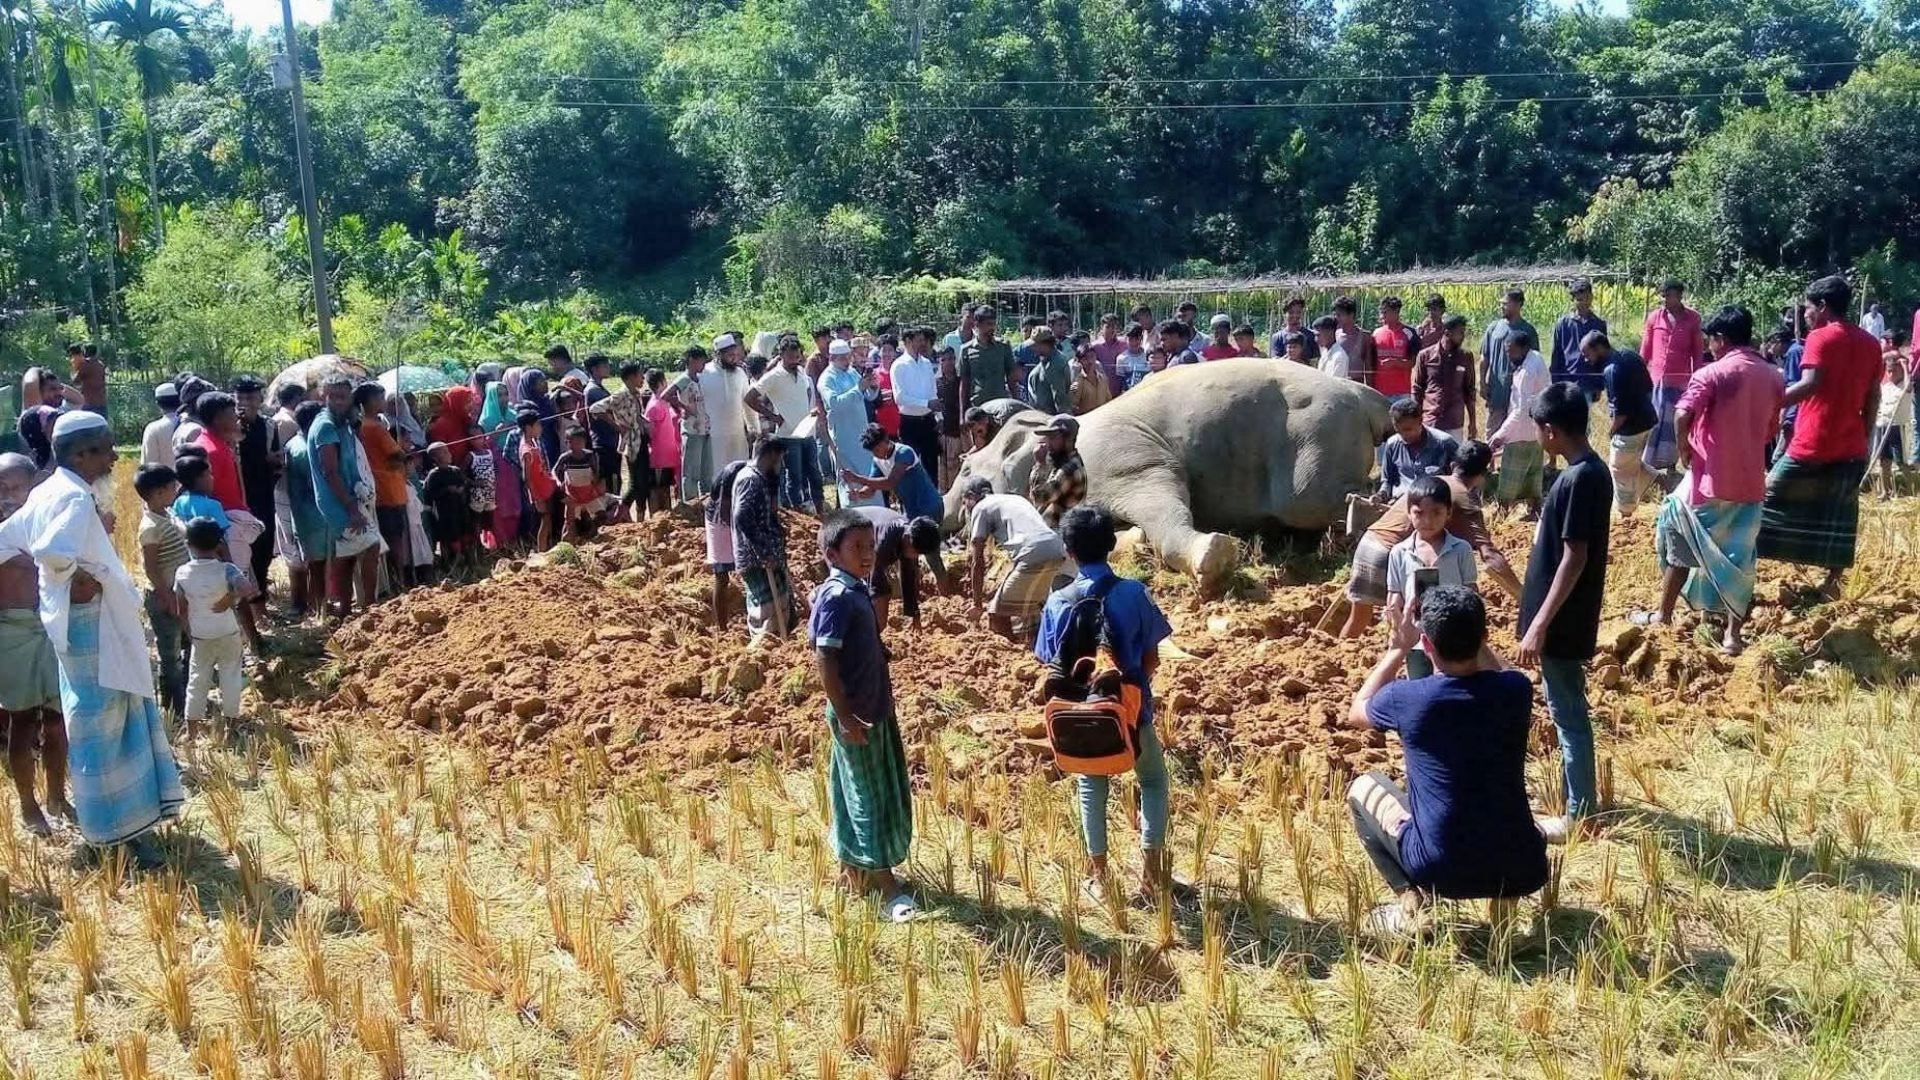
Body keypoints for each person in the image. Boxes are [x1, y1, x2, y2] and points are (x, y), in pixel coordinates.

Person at [0, 411, 184, 868]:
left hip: (85, 625)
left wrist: (63, 579)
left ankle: (127, 824)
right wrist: (72, 579)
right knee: (104, 728)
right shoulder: (72, 498)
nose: (112, 458)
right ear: (81, 454)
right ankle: (117, 833)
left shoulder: (49, 490)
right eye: (105, 449)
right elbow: (51, 550)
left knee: (108, 720)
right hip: (92, 626)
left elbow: (8, 538)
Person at [1343, 586, 1548, 935]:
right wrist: (1474, 635)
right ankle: (1504, 911)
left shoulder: (1408, 698)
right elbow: (1505, 671)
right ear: (1484, 637)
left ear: (1427, 644)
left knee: (1362, 787)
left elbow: (1356, 711)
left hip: (1440, 871)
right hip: (1523, 866)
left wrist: (1398, 648)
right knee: (1517, 824)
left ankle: (1412, 906)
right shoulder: (1515, 691)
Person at [1035, 505, 1174, 904]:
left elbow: (1049, 661)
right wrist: (1131, 694)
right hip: (1131, 711)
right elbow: (1151, 658)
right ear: (1112, 544)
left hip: (1078, 717)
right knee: (1153, 782)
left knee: (1090, 786)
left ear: (1068, 550)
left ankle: (1099, 878)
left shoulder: (1057, 601)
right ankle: (1150, 878)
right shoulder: (1134, 593)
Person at [1635, 306, 1784, 654]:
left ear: (1720, 339)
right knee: (1741, 557)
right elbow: (1771, 429)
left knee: (1675, 526)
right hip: (1751, 481)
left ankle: (1664, 614)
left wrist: (1685, 450)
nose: (1710, 347)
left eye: (1711, 341)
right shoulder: (1773, 376)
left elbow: (1682, 413)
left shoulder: (1712, 373)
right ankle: (1732, 636)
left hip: (1709, 480)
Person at [810, 510, 916, 921]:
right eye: (856, 547)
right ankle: (887, 887)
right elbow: (825, 658)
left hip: (873, 707)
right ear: (832, 554)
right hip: (857, 714)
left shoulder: (855, 590)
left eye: (870, 546)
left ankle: (850, 873)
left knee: (856, 790)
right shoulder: (837, 596)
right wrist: (846, 717)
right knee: (868, 796)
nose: (868, 554)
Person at [1517, 383, 1612, 842]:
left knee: (1568, 714)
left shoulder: (1579, 479)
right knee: (1565, 708)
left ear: (1551, 430)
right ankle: (1578, 799)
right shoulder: (1588, 472)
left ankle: (1581, 816)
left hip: (1563, 621)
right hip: (1564, 617)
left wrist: (1540, 623)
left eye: (1538, 429)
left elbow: (1575, 557)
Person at [1759, 275, 1883, 599]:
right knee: (1839, 515)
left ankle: (1742, 569)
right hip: (1851, 445)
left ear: (1823, 307)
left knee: (1765, 501)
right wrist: (1866, 436)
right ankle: (1832, 583)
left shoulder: (1820, 337)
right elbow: (1874, 395)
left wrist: (1768, 402)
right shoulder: (1871, 343)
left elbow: (1810, 383)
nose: (1805, 315)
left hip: (1813, 442)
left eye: (1808, 308)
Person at [1340, 440, 1519, 637]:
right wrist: (1523, 597)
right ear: (1482, 476)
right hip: (1390, 553)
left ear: (1453, 465)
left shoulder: (1432, 484)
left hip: (1368, 543)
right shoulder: (1461, 499)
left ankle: (1343, 652)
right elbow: (1490, 556)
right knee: (1416, 622)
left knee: (1359, 618)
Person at [0, 452, 71, 837]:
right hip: (12, 633)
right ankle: (29, 804)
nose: (9, 497)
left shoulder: (50, 525)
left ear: (36, 486)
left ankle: (57, 795)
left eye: (17, 488)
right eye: (2, 490)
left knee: (58, 721)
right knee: (22, 722)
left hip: (52, 625)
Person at [1382, 477, 1477, 679]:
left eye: (1436, 513)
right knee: (1420, 684)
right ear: (1409, 513)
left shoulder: (1461, 550)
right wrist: (1395, 626)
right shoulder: (1399, 552)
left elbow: (1471, 592)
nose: (1427, 521)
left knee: (1455, 685)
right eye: (1419, 513)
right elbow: (1394, 595)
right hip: (1416, 638)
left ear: (1449, 512)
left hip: (1453, 637)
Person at [175, 516, 253, 744]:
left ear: (188, 544)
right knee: (230, 677)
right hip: (227, 631)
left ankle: (191, 731)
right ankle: (231, 727)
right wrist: (230, 597)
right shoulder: (226, 569)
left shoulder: (182, 573)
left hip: (201, 634)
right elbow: (247, 588)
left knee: (197, 680)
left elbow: (181, 609)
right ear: (219, 544)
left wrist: (188, 631)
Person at [962, 478, 1068, 641]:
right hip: (1057, 548)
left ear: (971, 496)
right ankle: (1035, 647)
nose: (966, 508)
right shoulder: (1014, 499)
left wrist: (976, 604)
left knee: (997, 613)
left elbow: (978, 562)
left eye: (965, 503)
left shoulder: (980, 507)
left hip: (1033, 552)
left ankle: (1008, 651)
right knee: (1032, 609)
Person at [310, 376, 380, 621]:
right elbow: (330, 471)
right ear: (323, 397)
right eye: (334, 397)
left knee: (347, 556)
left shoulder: (342, 423)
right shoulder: (326, 426)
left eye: (344, 396)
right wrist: (351, 509)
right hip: (339, 502)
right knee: (371, 546)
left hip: (346, 498)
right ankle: (369, 607)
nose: (339, 402)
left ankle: (345, 611)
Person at [134, 465, 189, 715]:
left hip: (178, 595)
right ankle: (172, 708)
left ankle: (186, 698)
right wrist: (167, 597)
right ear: (158, 493)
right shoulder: (150, 527)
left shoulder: (167, 515)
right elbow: (151, 568)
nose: (175, 491)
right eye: (171, 487)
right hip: (164, 597)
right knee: (170, 656)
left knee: (186, 646)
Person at [750, 334, 826, 513]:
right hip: (788, 435)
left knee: (815, 474)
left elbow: (805, 395)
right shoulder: (773, 376)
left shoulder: (801, 372)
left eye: (797, 356)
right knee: (794, 476)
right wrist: (773, 416)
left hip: (807, 432)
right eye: (790, 357)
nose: (794, 360)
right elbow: (750, 397)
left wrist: (811, 411)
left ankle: (820, 510)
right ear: (782, 355)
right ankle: (797, 512)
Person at [1586, 331, 1658, 517]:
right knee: (1630, 464)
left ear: (1599, 348)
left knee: (1619, 469)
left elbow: (1620, 413)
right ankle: (1658, 480)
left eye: (1587, 354)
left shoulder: (1611, 370)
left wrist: (1612, 432)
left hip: (1629, 428)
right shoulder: (1630, 355)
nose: (1586, 359)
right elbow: (1649, 386)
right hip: (1647, 420)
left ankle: (1625, 513)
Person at [1641, 279, 1706, 475]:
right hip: (1656, 381)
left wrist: (1696, 380)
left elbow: (1697, 353)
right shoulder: (1655, 317)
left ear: (1679, 296)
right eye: (1663, 295)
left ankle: (1670, 465)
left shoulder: (1693, 319)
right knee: (1653, 422)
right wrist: (1638, 374)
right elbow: (1645, 350)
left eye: (1669, 295)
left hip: (1680, 383)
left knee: (1673, 425)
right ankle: (1648, 466)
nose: (1665, 299)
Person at [733, 438, 794, 644]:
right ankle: (762, 652)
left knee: (779, 607)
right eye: (780, 458)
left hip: (766, 555)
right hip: (757, 559)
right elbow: (742, 517)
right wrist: (763, 552)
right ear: (772, 455)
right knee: (767, 613)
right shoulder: (750, 480)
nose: (780, 464)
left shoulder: (759, 477)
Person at [1487, 331, 1551, 517]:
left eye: (1511, 351)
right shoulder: (1536, 358)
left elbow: (1520, 410)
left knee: (1509, 478)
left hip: (1520, 433)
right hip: (1537, 431)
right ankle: (1535, 512)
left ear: (1523, 348)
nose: (1508, 356)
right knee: (1533, 474)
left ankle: (1502, 515)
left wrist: (1500, 435)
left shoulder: (1526, 373)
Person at [357, 382, 412, 593]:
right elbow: (396, 455)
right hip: (389, 490)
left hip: (380, 489)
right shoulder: (374, 427)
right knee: (395, 539)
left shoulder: (364, 426)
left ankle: (393, 582)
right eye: (380, 398)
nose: (383, 402)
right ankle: (400, 582)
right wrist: (403, 455)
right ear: (371, 401)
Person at [852, 506, 947, 629]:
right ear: (908, 537)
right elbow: (874, 585)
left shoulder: (907, 538)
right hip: (844, 536)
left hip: (862, 541)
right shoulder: (884, 543)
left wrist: (913, 613)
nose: (915, 556)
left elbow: (907, 576)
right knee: (876, 594)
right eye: (915, 552)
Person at [280, 403, 330, 613]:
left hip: (303, 515)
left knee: (315, 564)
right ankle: (320, 607)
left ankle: (317, 605)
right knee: (318, 566)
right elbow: (317, 482)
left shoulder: (293, 443)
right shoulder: (306, 450)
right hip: (313, 516)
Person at [820, 340, 881, 508]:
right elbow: (834, 403)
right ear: (832, 358)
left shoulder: (852, 372)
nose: (847, 361)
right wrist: (858, 388)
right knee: (849, 477)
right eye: (843, 358)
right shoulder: (826, 378)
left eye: (848, 357)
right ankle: (854, 516)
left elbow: (868, 396)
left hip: (861, 433)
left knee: (868, 474)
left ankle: (874, 512)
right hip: (844, 437)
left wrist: (872, 386)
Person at [591, 360, 652, 521]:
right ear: (631, 377)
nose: (643, 379)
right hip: (631, 444)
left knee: (643, 483)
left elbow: (636, 416)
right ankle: (618, 515)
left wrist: (645, 422)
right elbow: (595, 409)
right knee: (635, 485)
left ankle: (640, 518)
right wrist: (616, 425)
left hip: (641, 440)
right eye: (640, 375)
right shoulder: (620, 395)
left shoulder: (636, 393)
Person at [847, 424, 943, 522]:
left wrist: (857, 478)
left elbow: (891, 482)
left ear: (885, 440)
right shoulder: (877, 461)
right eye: (873, 451)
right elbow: (870, 490)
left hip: (929, 508)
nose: (875, 454)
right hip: (911, 512)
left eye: (877, 449)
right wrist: (859, 494)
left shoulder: (904, 452)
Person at [1375, 398, 1458, 502]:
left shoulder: (1444, 444)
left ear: (1420, 421)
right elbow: (1387, 481)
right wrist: (1381, 495)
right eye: (1398, 430)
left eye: (1408, 430)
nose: (1403, 435)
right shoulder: (1392, 444)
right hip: (1399, 503)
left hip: (1433, 506)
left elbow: (1459, 481)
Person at [1412, 314, 1477, 442]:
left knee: (1454, 455)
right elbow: (1417, 389)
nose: (1463, 336)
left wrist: (1472, 423)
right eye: (1460, 332)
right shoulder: (1425, 356)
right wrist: (1415, 419)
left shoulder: (1465, 357)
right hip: (1431, 421)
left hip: (1454, 423)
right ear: (1447, 332)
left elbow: (1470, 391)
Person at [1480, 289, 1536, 436]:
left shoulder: (1528, 331)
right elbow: (1484, 357)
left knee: (1515, 433)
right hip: (1497, 390)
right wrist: (1482, 383)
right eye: (1501, 303)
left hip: (1519, 392)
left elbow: (1534, 362)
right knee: (1492, 432)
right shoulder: (1493, 328)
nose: (1501, 306)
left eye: (1505, 303)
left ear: (1518, 304)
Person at [891, 328, 942, 489]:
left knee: (931, 466)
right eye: (918, 340)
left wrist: (939, 416)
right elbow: (900, 397)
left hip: (928, 422)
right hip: (910, 423)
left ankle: (932, 500)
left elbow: (932, 391)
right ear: (908, 341)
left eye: (923, 340)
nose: (922, 343)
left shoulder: (926, 363)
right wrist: (925, 403)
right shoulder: (898, 365)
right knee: (909, 466)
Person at [663, 346, 714, 500]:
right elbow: (666, 395)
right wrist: (683, 407)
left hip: (705, 428)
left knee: (706, 471)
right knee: (691, 472)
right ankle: (691, 503)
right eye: (701, 361)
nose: (704, 365)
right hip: (692, 430)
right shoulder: (684, 379)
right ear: (692, 360)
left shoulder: (698, 379)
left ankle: (706, 502)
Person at [1551, 279, 1608, 399]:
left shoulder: (1599, 324)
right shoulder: (1563, 324)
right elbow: (1557, 355)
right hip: (1567, 382)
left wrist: (1599, 385)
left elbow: (1602, 356)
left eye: (1587, 298)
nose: (1584, 303)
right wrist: (1555, 383)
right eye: (1579, 299)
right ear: (1573, 300)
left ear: (1591, 297)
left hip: (1588, 382)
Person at [1028, 414, 1088, 527]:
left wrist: (1040, 464)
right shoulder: (1060, 462)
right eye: (1047, 438)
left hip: (1060, 531)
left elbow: (1040, 498)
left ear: (1068, 439)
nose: (1048, 443)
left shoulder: (1069, 469)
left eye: (1053, 438)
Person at [423, 443, 474, 569]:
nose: (449, 454)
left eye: (448, 451)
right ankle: (451, 564)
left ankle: (468, 561)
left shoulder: (455, 471)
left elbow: (464, 483)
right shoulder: (434, 475)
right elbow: (430, 494)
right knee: (450, 537)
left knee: (464, 533)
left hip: (460, 509)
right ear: (435, 458)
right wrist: (447, 490)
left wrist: (461, 489)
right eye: (444, 452)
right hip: (445, 514)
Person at [1875, 332, 1912, 498]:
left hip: (1897, 425)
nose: (1890, 372)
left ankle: (1911, 489)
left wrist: (1904, 367)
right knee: (1883, 462)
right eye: (1888, 370)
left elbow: (1909, 385)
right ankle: (1885, 491)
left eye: (1893, 369)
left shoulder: (1904, 385)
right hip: (1882, 424)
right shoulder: (1885, 385)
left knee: (1900, 461)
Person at [959, 306, 1020, 408]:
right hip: (978, 406)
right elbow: (964, 383)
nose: (992, 328)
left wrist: (1017, 404)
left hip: (1001, 405)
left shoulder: (1003, 347)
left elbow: (1012, 380)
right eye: (988, 324)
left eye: (993, 324)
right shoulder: (966, 350)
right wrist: (962, 413)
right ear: (977, 324)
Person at [642, 370, 681, 517]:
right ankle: (656, 519)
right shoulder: (654, 406)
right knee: (658, 490)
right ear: (662, 382)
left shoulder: (663, 402)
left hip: (668, 456)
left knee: (665, 489)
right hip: (659, 458)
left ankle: (666, 518)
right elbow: (650, 432)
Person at [1372, 297, 1418, 399]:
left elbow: (1413, 362)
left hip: (1401, 392)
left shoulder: (1409, 333)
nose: (1382, 315)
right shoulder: (1376, 333)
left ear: (1396, 312)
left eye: (1386, 312)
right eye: (1382, 312)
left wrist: (1395, 362)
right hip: (1380, 391)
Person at [1024, 327, 1074, 414]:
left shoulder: (1056, 363)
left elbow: (1060, 397)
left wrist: (1063, 417)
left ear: (1045, 344)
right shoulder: (1045, 361)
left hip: (1051, 416)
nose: (1032, 348)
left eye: (1035, 345)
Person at [1333, 296, 1377, 387]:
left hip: (1356, 386)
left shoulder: (1364, 337)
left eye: (1340, 315)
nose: (1336, 318)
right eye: (1336, 314)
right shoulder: (1334, 335)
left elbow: (1368, 367)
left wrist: (1369, 389)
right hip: (1337, 385)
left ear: (1351, 315)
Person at [141, 384, 181, 468]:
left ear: (158, 404)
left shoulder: (153, 429)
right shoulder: (191, 424)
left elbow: (148, 462)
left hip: (164, 476)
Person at [1270, 294, 1319, 361]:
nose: (1295, 315)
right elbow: (1275, 361)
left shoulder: (1311, 336)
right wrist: (1288, 359)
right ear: (1284, 314)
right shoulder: (1278, 337)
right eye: (1291, 312)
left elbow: (1316, 360)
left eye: (1298, 312)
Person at [1071, 339, 1114, 414]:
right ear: (1080, 361)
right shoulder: (1078, 382)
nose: (1090, 361)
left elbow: (1108, 400)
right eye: (1085, 359)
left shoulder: (1103, 378)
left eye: (1092, 356)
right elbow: (1073, 406)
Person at [68, 342, 106, 415]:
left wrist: (74, 369)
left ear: (85, 351)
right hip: (102, 402)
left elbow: (75, 381)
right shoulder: (101, 365)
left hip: (90, 402)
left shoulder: (86, 364)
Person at [1314, 316, 1350, 380]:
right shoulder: (1324, 353)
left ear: (1330, 332)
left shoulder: (1339, 357)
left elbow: (1334, 383)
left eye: (1318, 335)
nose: (1316, 339)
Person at [1116, 325, 1151, 390]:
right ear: (1126, 339)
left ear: (1141, 339)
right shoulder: (1121, 358)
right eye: (1131, 339)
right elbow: (1120, 382)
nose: (1134, 343)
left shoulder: (1148, 356)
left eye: (1137, 339)